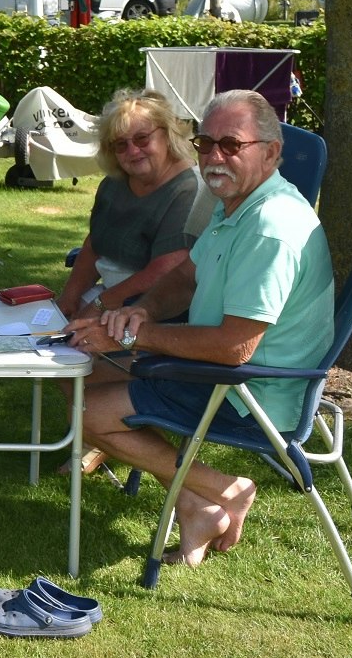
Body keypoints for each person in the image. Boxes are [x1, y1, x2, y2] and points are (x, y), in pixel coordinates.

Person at [64, 89, 335, 566]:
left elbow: (233, 347)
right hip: (220, 373)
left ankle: (223, 490)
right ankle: (196, 503)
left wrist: (131, 336)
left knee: (89, 411)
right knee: (80, 369)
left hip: (252, 393)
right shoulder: (236, 204)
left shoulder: (270, 226)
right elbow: (187, 276)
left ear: (270, 152)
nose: (214, 157)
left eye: (231, 145)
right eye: (206, 143)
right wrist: (144, 311)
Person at [57, 88, 213, 322]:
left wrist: (100, 305)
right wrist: (70, 296)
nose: (132, 150)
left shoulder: (190, 190)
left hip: (155, 310)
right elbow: (94, 245)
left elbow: (165, 270)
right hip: (108, 296)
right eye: (121, 144)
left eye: (142, 139)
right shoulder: (114, 183)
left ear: (167, 135)